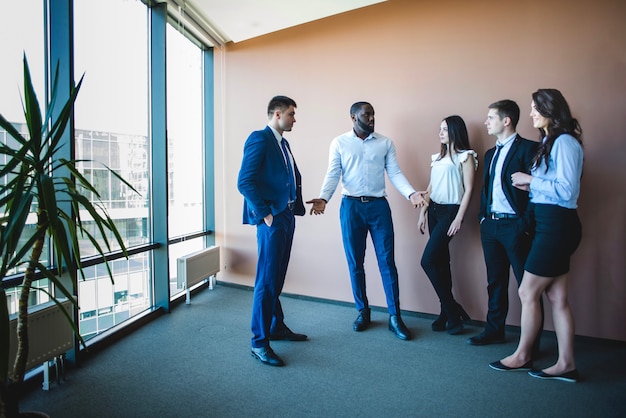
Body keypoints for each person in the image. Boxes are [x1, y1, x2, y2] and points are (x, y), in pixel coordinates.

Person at [489, 89, 583, 383]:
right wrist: (535, 186)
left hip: (557, 227)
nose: (530, 114)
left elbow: (567, 191)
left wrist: (531, 180)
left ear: (549, 110)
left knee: (527, 291)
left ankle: (523, 355)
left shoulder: (565, 142)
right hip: (550, 222)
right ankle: (566, 363)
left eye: (534, 109)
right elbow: (553, 186)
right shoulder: (550, 141)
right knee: (557, 296)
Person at [307, 101, 422, 341]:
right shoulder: (339, 143)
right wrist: (324, 198)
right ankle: (363, 311)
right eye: (366, 115)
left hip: (379, 206)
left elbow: (395, 172)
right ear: (353, 117)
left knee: (387, 262)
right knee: (355, 262)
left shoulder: (385, 143)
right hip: (351, 207)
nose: (372, 119)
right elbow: (333, 173)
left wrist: (411, 193)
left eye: (373, 114)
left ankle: (394, 317)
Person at [237, 95, 307, 367]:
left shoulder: (283, 143)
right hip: (272, 221)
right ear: (277, 114)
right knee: (266, 282)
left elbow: (287, 177)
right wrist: (266, 213)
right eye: (291, 114)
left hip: (286, 216)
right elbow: (244, 181)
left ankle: (276, 327)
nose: (294, 119)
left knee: (277, 278)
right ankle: (259, 342)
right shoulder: (259, 138)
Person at [467, 100, 541, 347]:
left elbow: (536, 192)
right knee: (495, 282)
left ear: (506, 120)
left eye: (491, 117)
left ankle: (530, 343)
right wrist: (482, 218)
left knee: (527, 287)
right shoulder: (490, 154)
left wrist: (525, 223)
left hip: (516, 227)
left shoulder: (529, 149)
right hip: (491, 226)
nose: (486, 121)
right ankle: (494, 330)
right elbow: (485, 190)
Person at [415, 115, 477, 335]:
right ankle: (447, 312)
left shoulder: (465, 156)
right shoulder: (437, 158)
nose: (440, 133)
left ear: (455, 131)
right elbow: (430, 188)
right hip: (434, 210)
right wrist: (423, 212)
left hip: (451, 211)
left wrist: (459, 217)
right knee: (441, 262)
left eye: (444, 129)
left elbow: (468, 189)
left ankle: (452, 310)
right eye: (439, 129)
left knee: (428, 261)